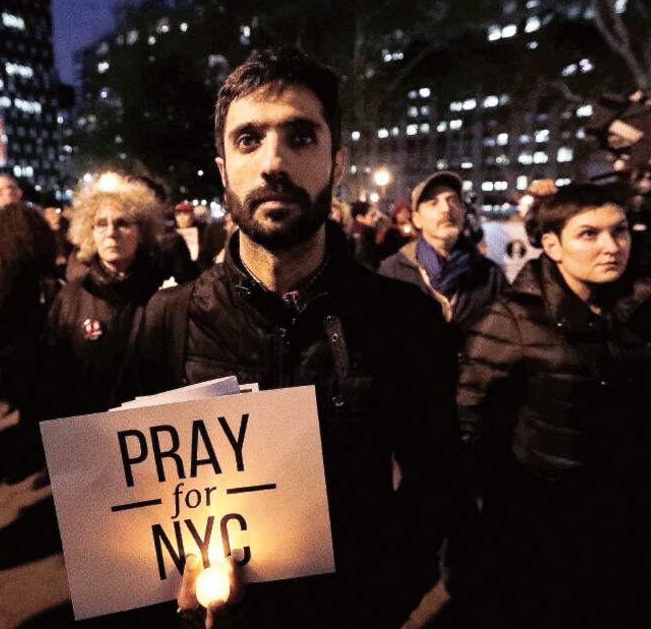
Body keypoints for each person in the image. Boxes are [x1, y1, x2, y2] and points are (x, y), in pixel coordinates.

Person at [133, 47, 464, 628]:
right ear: (222, 170)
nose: (273, 162)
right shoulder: (166, 320)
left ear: (337, 163)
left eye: (300, 138)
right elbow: (136, 501)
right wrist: (168, 586)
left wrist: (388, 594)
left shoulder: (402, 319)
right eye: (248, 140)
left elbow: (435, 479)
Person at [453, 184, 651, 628]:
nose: (611, 247)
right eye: (589, 234)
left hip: (637, 529)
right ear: (552, 245)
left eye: (619, 232)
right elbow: (468, 425)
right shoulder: (512, 318)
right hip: (546, 531)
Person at [43, 174, 166, 417]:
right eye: (101, 223)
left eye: (122, 223)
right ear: (90, 233)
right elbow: (51, 375)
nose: (111, 233)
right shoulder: (70, 297)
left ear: (142, 231)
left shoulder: (166, 293)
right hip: (93, 433)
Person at [378, 171, 505, 334]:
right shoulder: (392, 273)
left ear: (463, 212)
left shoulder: (491, 276)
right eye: (433, 202)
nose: (446, 209)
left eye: (452, 200)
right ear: (417, 219)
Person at [0, 202, 57, 425]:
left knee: (32, 417)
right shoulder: (44, 264)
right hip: (47, 349)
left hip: (20, 352)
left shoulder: (10, 271)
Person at [348, 200, 380, 270]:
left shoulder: (363, 234)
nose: (375, 219)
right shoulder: (360, 239)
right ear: (360, 218)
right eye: (372, 216)